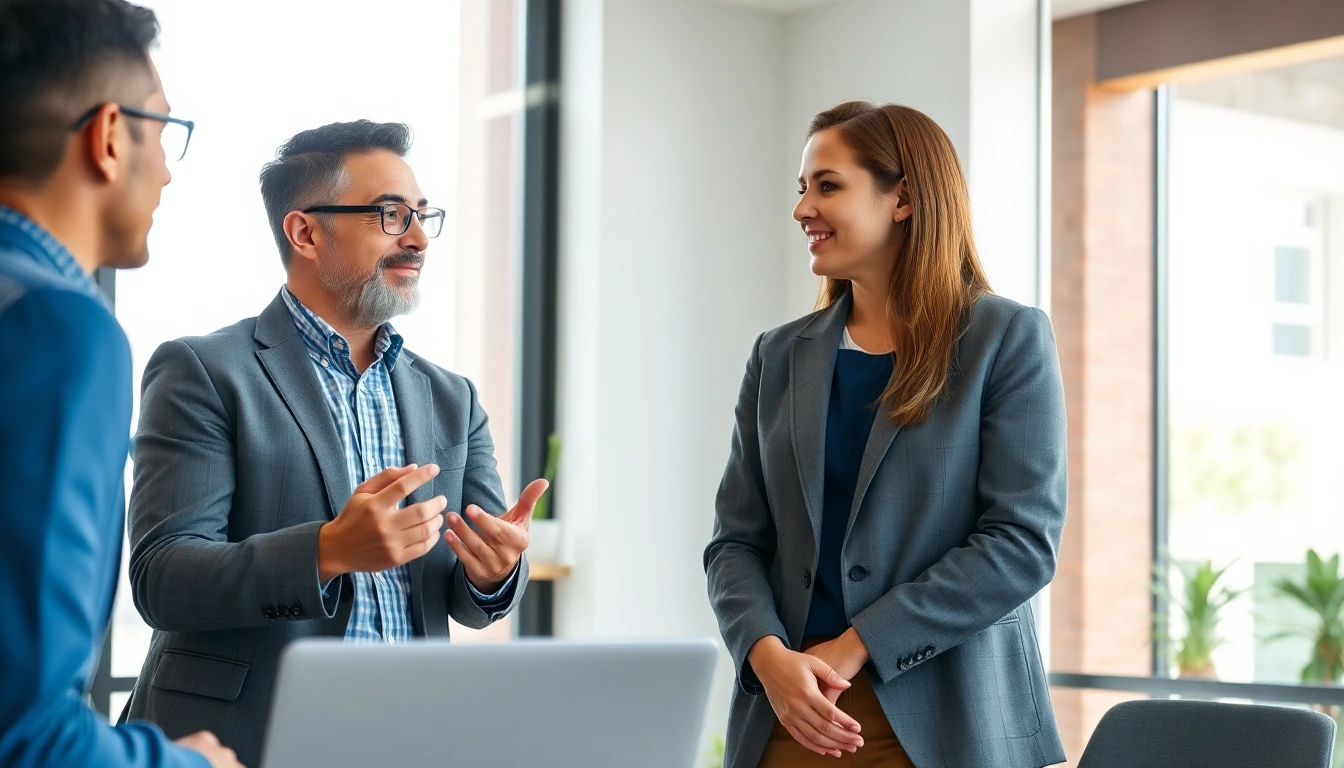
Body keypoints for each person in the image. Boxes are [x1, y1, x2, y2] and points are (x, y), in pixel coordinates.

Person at [123, 120, 546, 768]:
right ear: (305, 232)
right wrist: (327, 551)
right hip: (238, 741)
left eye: (422, 216)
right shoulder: (204, 371)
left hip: (407, 739)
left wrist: (495, 572)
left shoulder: (451, 399)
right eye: (390, 214)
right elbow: (163, 577)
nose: (416, 238)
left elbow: (470, 592)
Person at [704, 101, 1068, 768]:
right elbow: (735, 542)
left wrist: (858, 643)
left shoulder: (1005, 340)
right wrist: (766, 654)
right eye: (802, 189)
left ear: (902, 198)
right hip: (789, 716)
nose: (802, 209)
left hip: (951, 722)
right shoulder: (777, 355)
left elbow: (1020, 543)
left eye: (828, 186)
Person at [0, 1, 243, 766]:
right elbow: (24, 733)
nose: (169, 169)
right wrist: (187, 764)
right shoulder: (57, 329)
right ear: (109, 136)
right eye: (164, 130)